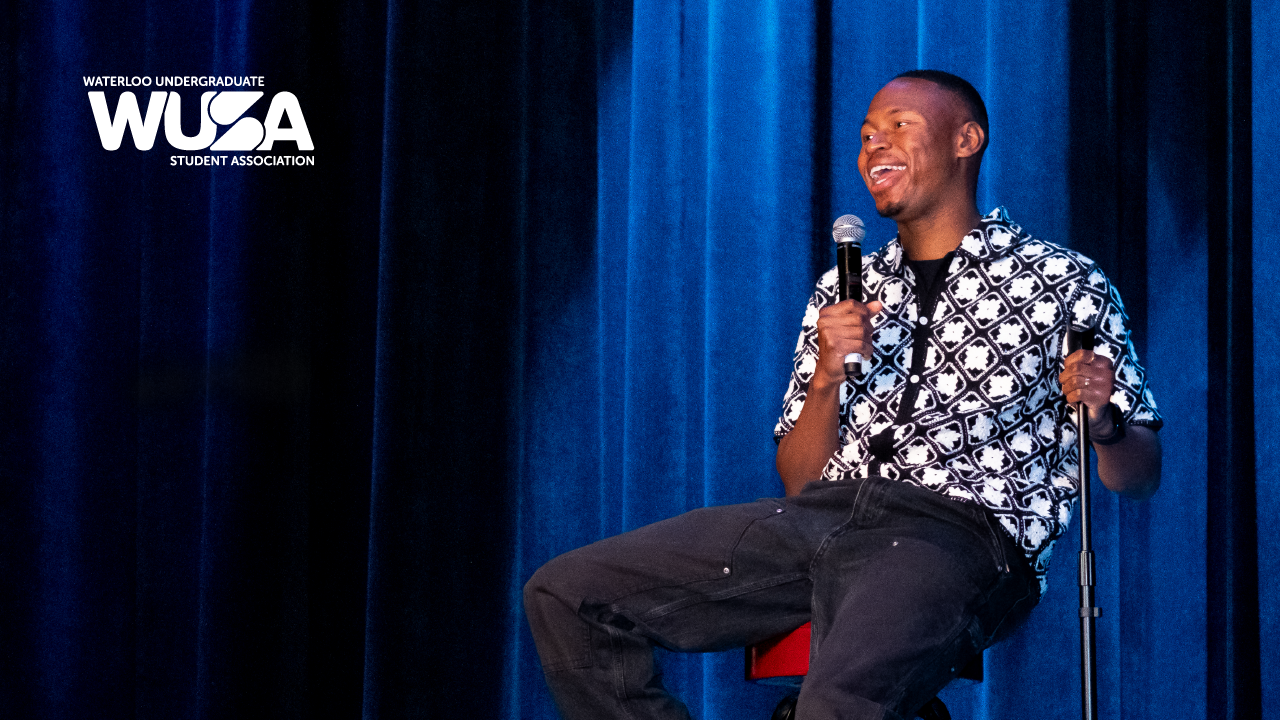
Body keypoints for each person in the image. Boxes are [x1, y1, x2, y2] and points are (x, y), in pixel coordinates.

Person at [524, 70, 1162, 720]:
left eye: (898, 126)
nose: (873, 147)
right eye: (864, 136)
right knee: (568, 593)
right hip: (822, 517)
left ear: (966, 139)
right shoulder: (843, 288)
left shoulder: (1060, 279)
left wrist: (1105, 422)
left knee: (837, 703)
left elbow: (1138, 474)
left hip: (959, 534)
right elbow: (799, 478)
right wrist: (828, 375)